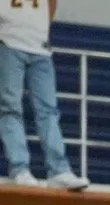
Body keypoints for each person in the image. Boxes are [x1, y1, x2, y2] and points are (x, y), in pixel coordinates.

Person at [0, 0, 88, 189]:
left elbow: (52, 3)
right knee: (10, 108)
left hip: (39, 47)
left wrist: (42, 30)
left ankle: (59, 170)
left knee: (48, 110)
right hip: (8, 42)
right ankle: (19, 168)